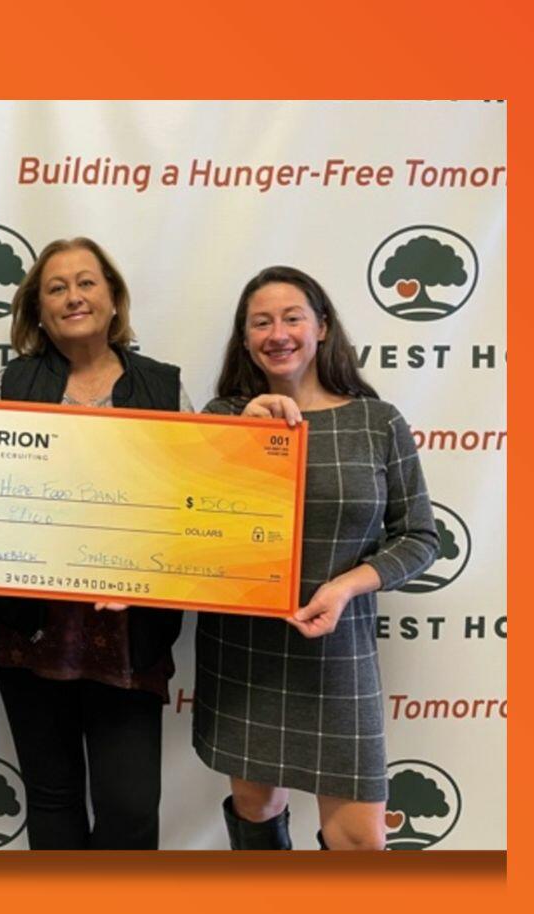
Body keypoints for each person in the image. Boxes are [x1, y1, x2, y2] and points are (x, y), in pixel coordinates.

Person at [194, 265, 437, 850]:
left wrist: (347, 586)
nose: (278, 333)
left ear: (322, 327)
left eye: (292, 317)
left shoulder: (377, 422)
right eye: (261, 322)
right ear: (245, 338)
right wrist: (237, 446)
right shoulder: (223, 418)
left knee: (360, 838)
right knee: (256, 809)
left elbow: (420, 538)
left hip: (339, 651)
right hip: (245, 649)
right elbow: (191, 526)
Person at [0, 236, 186, 849]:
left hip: (130, 628)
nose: (73, 296)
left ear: (113, 299)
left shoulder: (165, 389)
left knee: (130, 806)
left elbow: (190, 505)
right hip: (32, 626)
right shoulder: (6, 385)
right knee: (52, 797)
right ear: (37, 310)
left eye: (87, 282)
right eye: (56, 288)